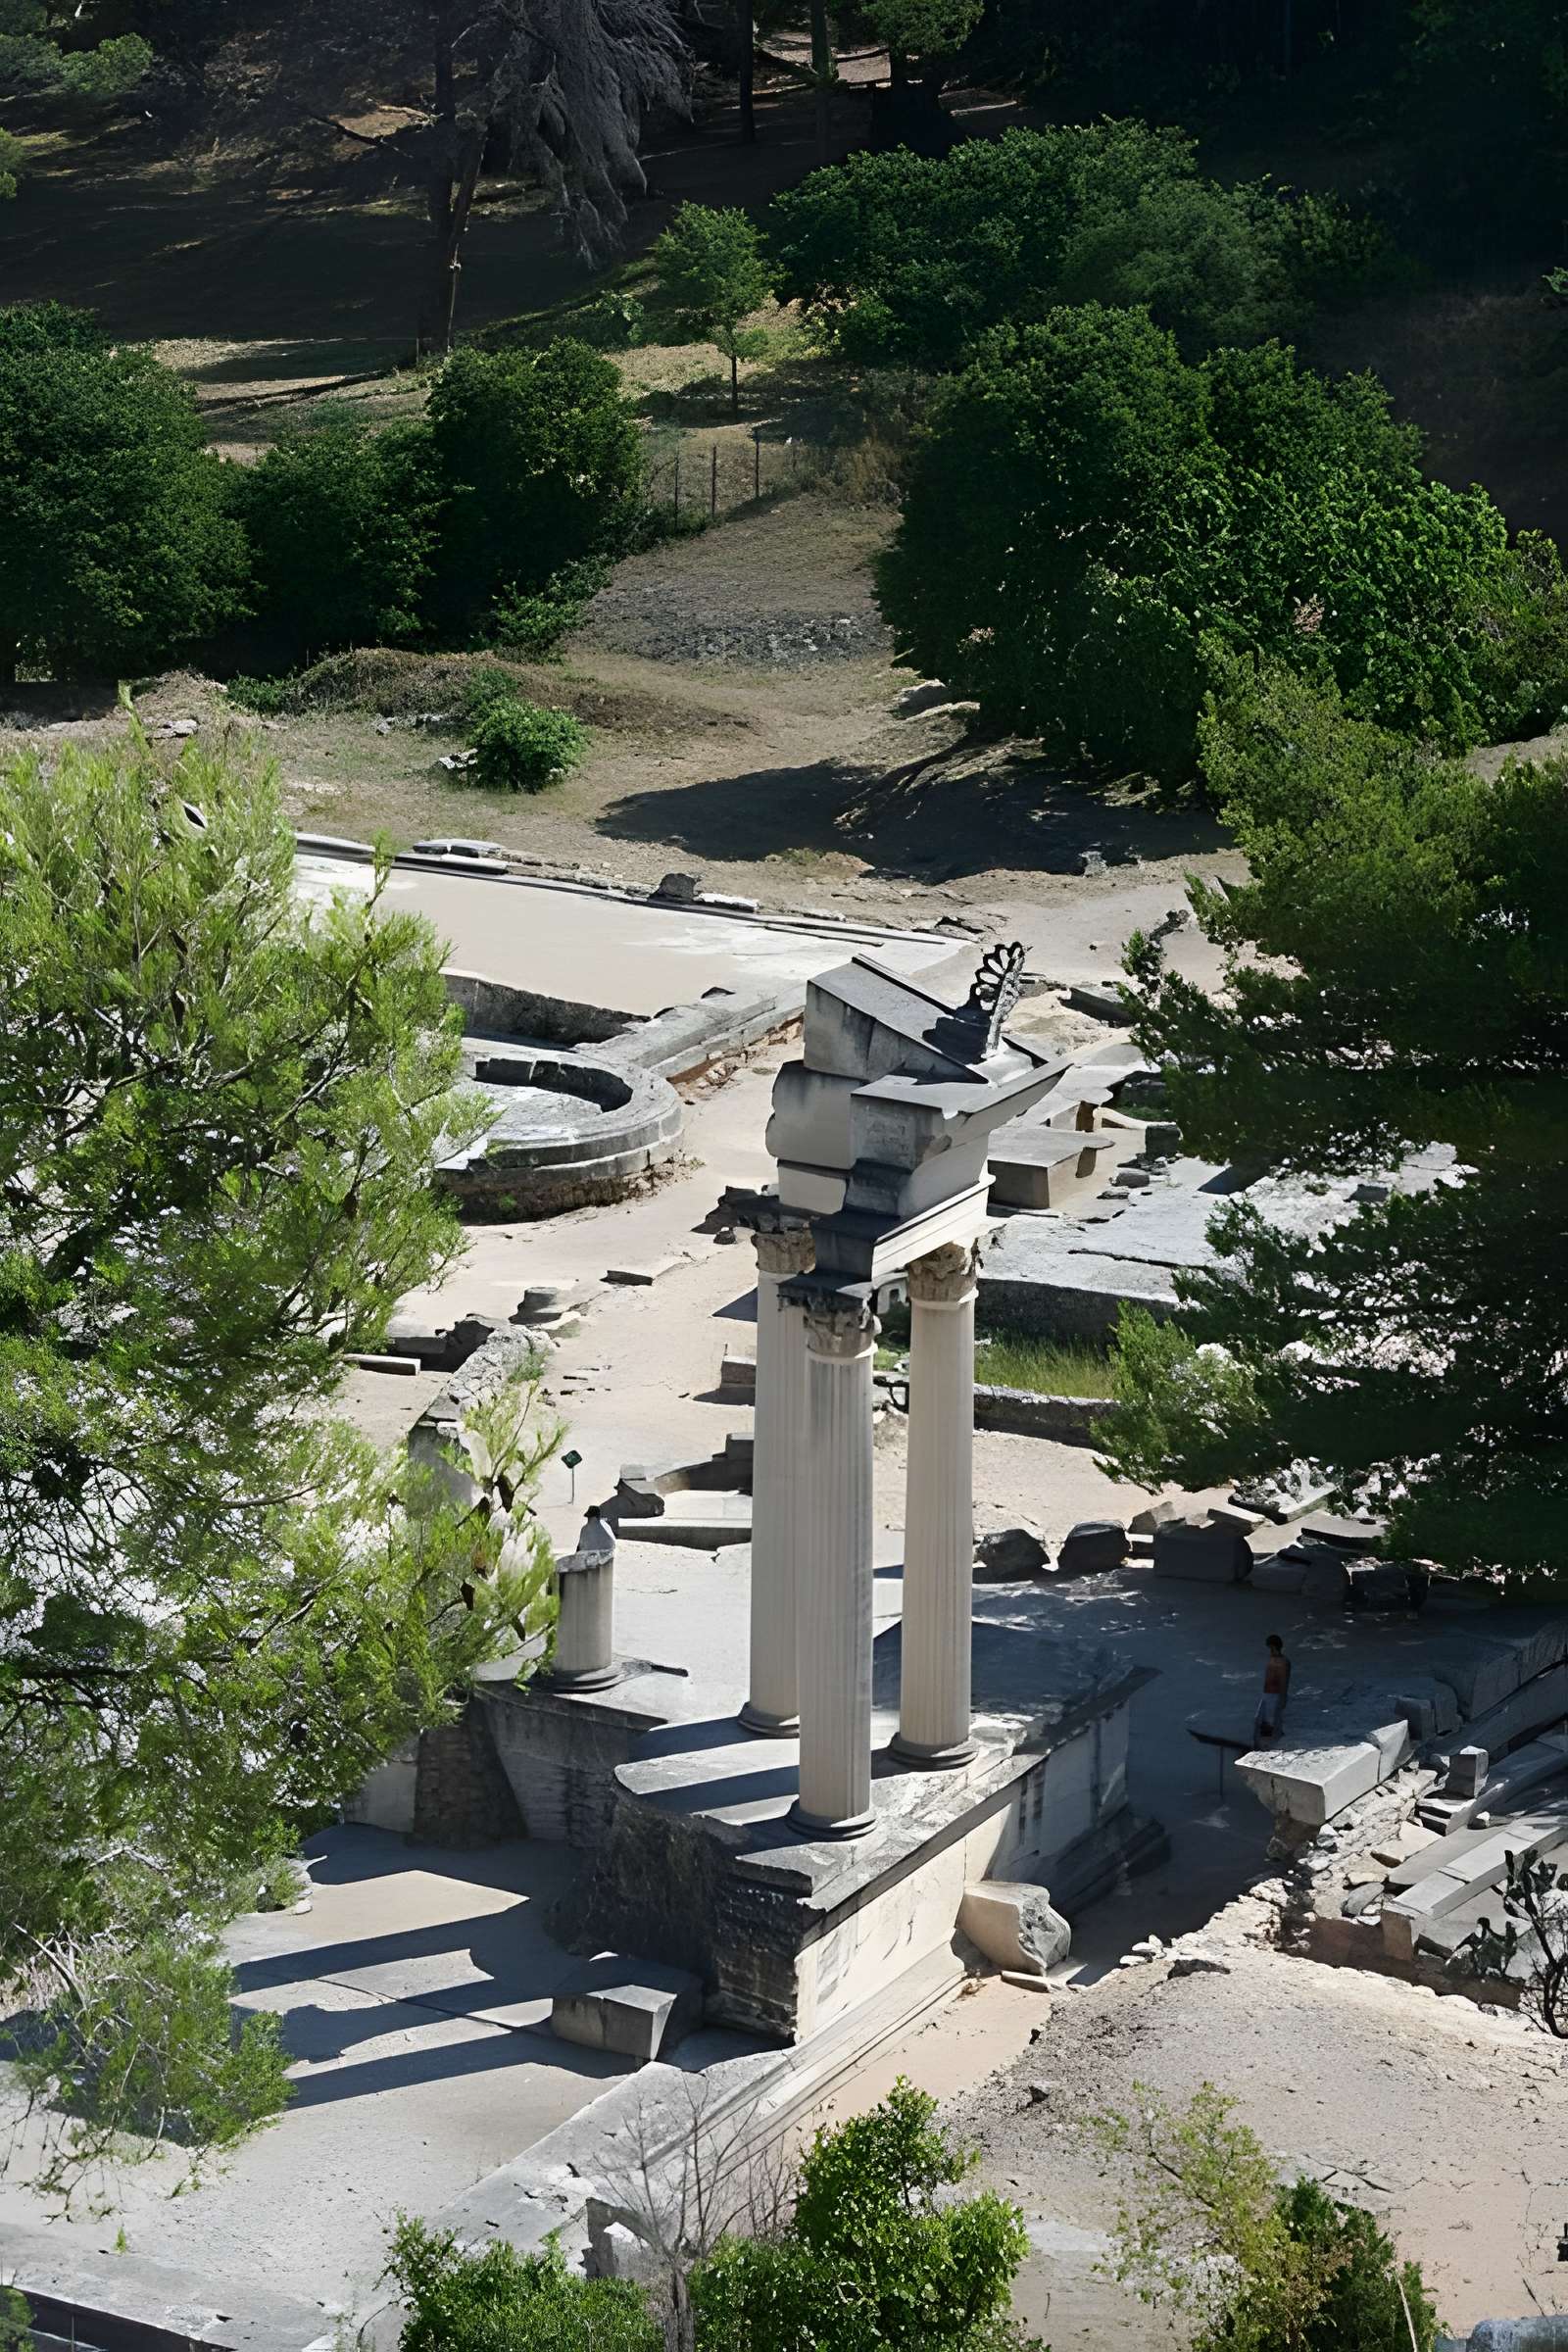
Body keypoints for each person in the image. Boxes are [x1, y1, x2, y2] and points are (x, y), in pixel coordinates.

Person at [1253, 1634, 1292, 1743]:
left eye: (1271, 1647)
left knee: (1270, 1720)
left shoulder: (1283, 1661)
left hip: (1275, 1694)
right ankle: (1263, 1741)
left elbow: (1284, 1680)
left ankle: (1269, 1743)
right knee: (1260, 1718)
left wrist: (1283, 1697)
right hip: (1267, 1693)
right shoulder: (1271, 1659)